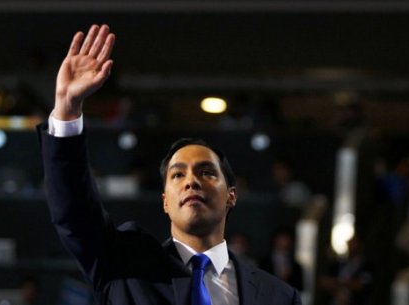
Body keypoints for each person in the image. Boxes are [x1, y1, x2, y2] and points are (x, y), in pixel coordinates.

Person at [38, 24, 301, 305]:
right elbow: (74, 213)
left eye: (207, 172)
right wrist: (67, 108)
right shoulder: (123, 267)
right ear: (165, 201)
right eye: (177, 175)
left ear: (231, 196)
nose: (191, 181)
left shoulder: (279, 296)